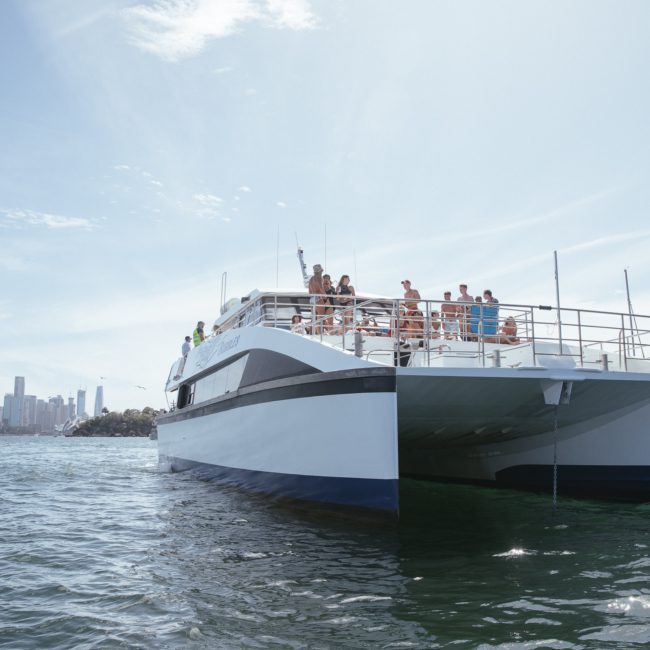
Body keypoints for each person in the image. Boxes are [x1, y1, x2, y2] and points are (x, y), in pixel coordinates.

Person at [308, 264, 325, 333]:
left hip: (312, 298)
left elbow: (309, 291)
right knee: (320, 318)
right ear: (320, 270)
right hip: (318, 298)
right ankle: (320, 333)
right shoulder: (319, 277)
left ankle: (317, 333)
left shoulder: (311, 278)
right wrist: (325, 295)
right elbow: (321, 287)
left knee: (314, 318)